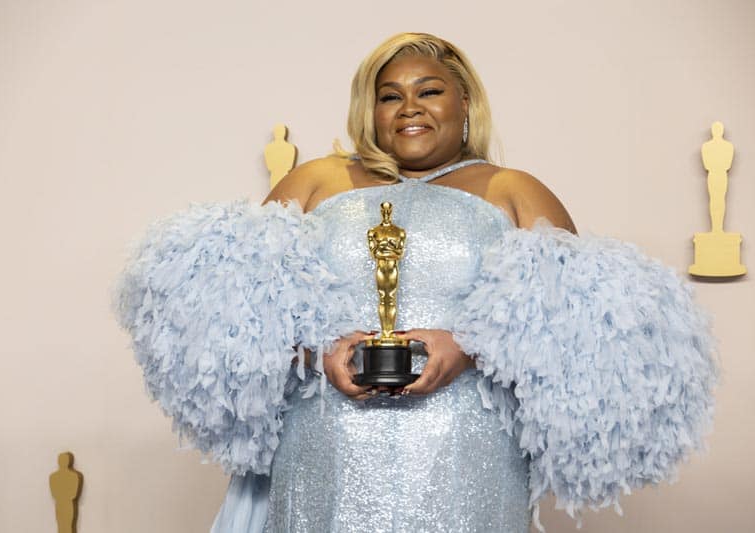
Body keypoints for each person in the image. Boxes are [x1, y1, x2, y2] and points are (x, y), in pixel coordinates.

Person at [115, 33, 716, 532]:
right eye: (390, 96)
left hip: (467, 451)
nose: (409, 107)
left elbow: (579, 332)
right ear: (370, 111)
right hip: (326, 444)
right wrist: (319, 353)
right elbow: (240, 311)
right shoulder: (317, 182)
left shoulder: (513, 190)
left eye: (429, 91)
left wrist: (469, 346)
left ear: (465, 103)